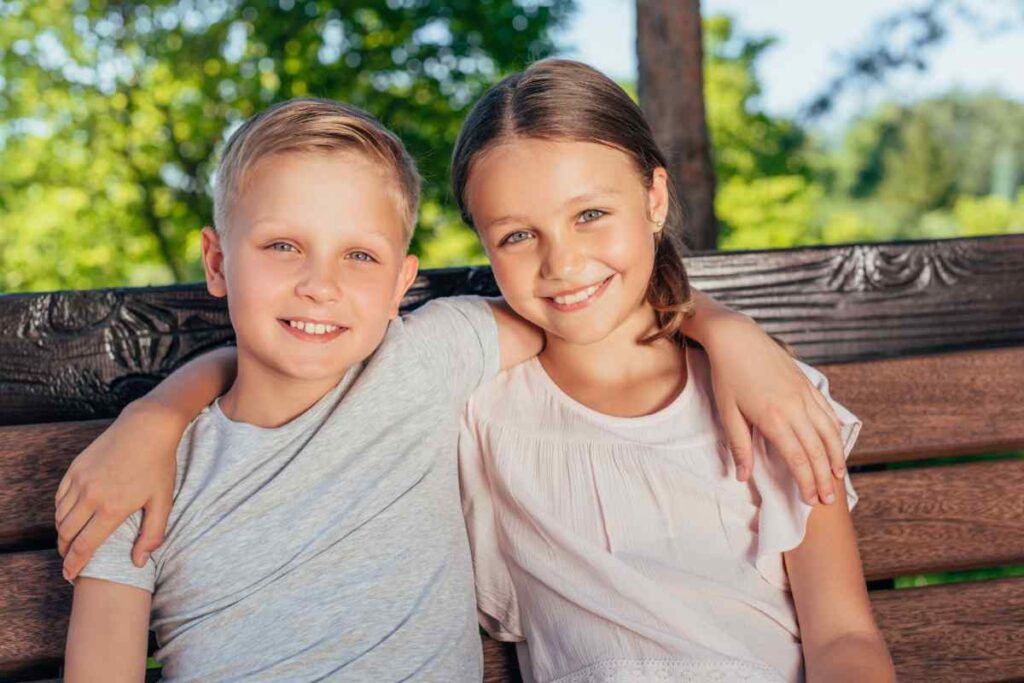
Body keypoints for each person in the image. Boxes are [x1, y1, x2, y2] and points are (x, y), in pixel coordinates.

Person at [58, 98, 848, 680]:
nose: (319, 285)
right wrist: (156, 414)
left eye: (359, 257)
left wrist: (728, 331)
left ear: (405, 283)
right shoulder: (136, 478)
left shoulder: (429, 358)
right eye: (282, 245)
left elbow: (588, 307)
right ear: (218, 261)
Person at [451, 60, 895, 682]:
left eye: (590, 215)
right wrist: (719, 321)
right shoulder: (479, 414)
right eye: (519, 235)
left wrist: (724, 330)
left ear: (654, 198)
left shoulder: (774, 400)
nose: (563, 262)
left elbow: (843, 635)